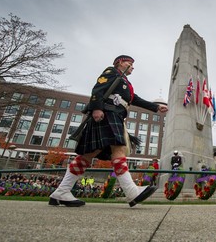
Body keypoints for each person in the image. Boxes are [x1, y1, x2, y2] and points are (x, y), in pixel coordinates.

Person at [49, 55, 168, 207]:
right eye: (129, 63)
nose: (132, 67)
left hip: (115, 116)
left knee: (89, 154)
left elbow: (134, 99)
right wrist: (97, 108)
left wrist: (156, 107)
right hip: (107, 114)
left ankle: (61, 192)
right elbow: (98, 88)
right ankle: (131, 192)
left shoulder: (125, 81)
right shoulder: (111, 72)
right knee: (119, 149)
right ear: (120, 62)